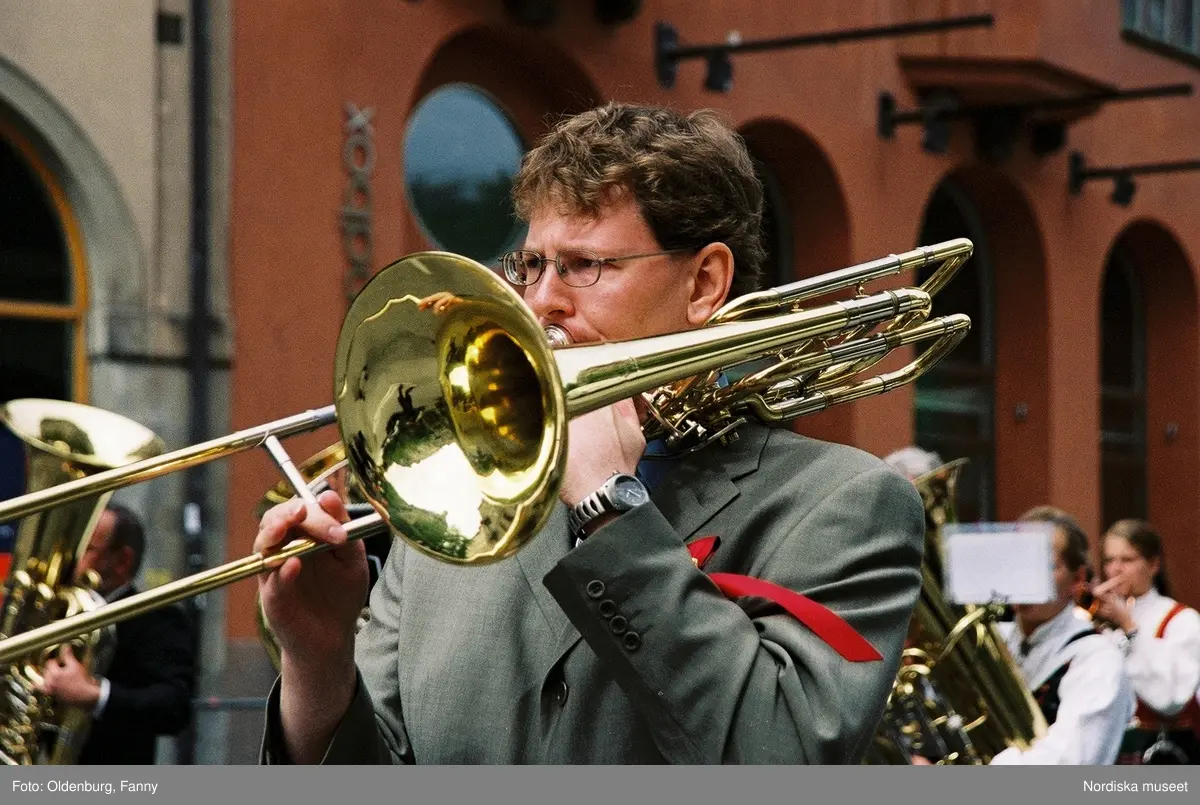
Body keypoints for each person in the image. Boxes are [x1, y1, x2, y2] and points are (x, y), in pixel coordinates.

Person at [255, 102, 927, 764]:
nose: (541, 300)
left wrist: (610, 504)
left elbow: (781, 751)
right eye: (532, 266)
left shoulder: (845, 505)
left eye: (583, 266)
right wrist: (319, 664)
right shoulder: (457, 509)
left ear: (703, 283)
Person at [38, 503, 196, 764]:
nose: (70, 558)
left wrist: (95, 696)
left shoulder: (159, 620)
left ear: (123, 561)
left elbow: (174, 707)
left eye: (86, 549)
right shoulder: (50, 610)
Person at [985, 506, 1134, 765]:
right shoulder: (990, 640)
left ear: (1077, 579)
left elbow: (1069, 762)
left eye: (1043, 565)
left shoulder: (1097, 658)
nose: (1025, 576)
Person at [1091, 519, 1200, 764]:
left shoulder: (1182, 620)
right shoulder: (1099, 623)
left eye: (1127, 560)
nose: (1115, 570)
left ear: (1153, 565)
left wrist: (1129, 628)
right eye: (1109, 560)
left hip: (1160, 755)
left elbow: (1171, 698)